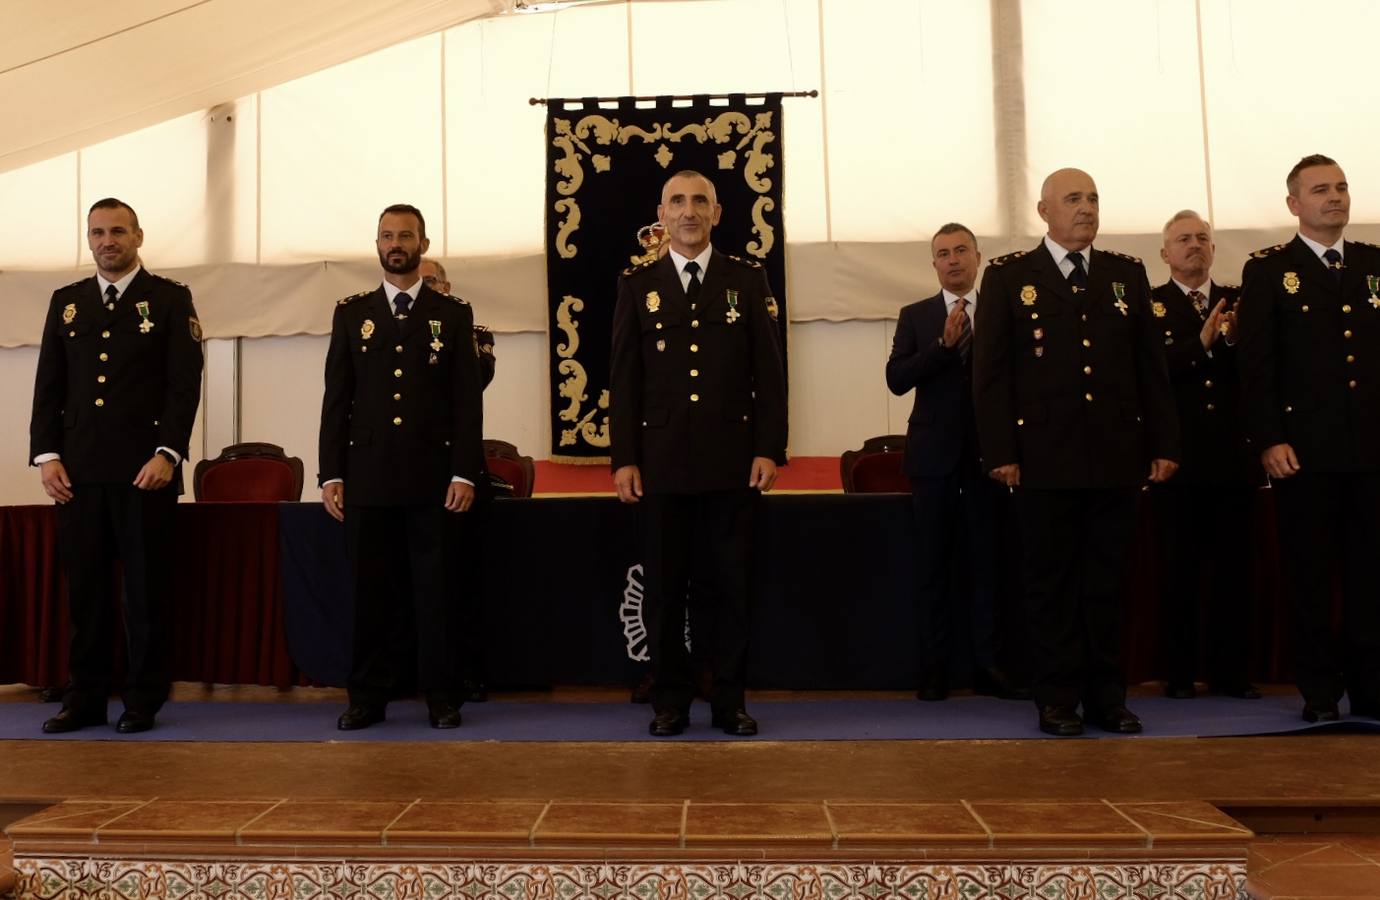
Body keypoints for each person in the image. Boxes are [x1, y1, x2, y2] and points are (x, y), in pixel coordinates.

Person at [972, 168, 1180, 736]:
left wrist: (1164, 442)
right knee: (1052, 585)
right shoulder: (1011, 276)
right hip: (1043, 459)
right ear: (1044, 211)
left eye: (1092, 198)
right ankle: (1057, 698)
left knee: (1107, 584)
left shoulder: (1125, 274)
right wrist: (1001, 451)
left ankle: (1108, 698)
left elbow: (1150, 368)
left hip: (1116, 456)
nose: (1086, 208)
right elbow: (990, 374)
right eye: (1072, 199)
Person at [609, 170, 787, 736]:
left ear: (717, 213)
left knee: (729, 587)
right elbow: (624, 378)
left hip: (730, 461)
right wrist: (624, 457)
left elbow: (770, 373)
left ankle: (729, 701)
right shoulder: (637, 284)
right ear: (662, 214)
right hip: (660, 463)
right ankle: (671, 701)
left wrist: (768, 448)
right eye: (678, 201)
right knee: (664, 590)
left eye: (700, 201)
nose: (689, 211)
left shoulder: (747, 279)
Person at [29, 197, 204, 734]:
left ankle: (142, 699)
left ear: (138, 236)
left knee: (144, 594)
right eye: (98, 233)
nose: (108, 241)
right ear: (89, 239)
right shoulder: (68, 302)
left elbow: (183, 384)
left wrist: (168, 453)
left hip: (144, 472)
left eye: (118, 231)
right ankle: (84, 699)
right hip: (78, 474)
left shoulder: (169, 298)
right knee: (85, 593)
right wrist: (47, 456)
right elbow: (49, 384)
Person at [319, 204, 485, 730]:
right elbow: (336, 398)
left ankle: (441, 696)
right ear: (377, 244)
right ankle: (367, 697)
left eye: (406, 236)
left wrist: (464, 471)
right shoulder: (352, 313)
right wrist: (331, 473)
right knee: (371, 594)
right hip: (367, 477)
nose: (396, 244)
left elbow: (466, 402)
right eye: (387, 236)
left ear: (423, 244)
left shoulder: (451, 314)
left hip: (432, 477)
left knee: (436, 593)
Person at [1236, 154, 1380, 723]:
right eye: (1320, 190)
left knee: (1371, 577)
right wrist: (1269, 438)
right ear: (1294, 204)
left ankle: (1371, 690)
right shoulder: (1271, 271)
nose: (1335, 197)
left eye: (1341, 187)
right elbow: (1256, 366)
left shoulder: (1373, 264)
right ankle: (1319, 692)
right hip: (1304, 454)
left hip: (1371, 451)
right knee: (1311, 577)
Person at [886, 222, 1026, 702]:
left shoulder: (1003, 311)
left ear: (978, 257)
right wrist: (942, 347)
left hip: (991, 459)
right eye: (943, 253)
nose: (953, 260)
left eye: (961, 250)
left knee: (989, 566)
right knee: (933, 569)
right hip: (933, 461)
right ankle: (935, 669)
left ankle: (989, 667)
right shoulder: (916, 315)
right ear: (934, 264)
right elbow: (897, 379)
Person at [1151, 210, 1261, 701]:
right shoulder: (1148, 305)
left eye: (1202, 238)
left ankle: (1231, 673)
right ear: (1165, 253)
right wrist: (1200, 344)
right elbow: (1148, 373)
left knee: (1235, 572)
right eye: (1183, 239)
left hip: (1234, 457)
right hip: (1178, 460)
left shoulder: (1241, 300)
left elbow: (1263, 369)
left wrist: (1233, 340)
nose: (1194, 245)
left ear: (1214, 249)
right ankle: (1178, 674)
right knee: (1179, 571)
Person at [420, 256, 493, 704]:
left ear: (446, 287)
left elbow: (473, 380)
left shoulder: (470, 331)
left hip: (457, 467)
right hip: (408, 472)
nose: (425, 288)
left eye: (432, 281)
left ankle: (465, 673)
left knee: (459, 578)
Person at [420, 258, 496, 390]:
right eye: (415, 284)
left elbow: (476, 380)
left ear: (446, 288)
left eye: (428, 281)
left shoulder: (475, 335)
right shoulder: (399, 333)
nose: (421, 289)